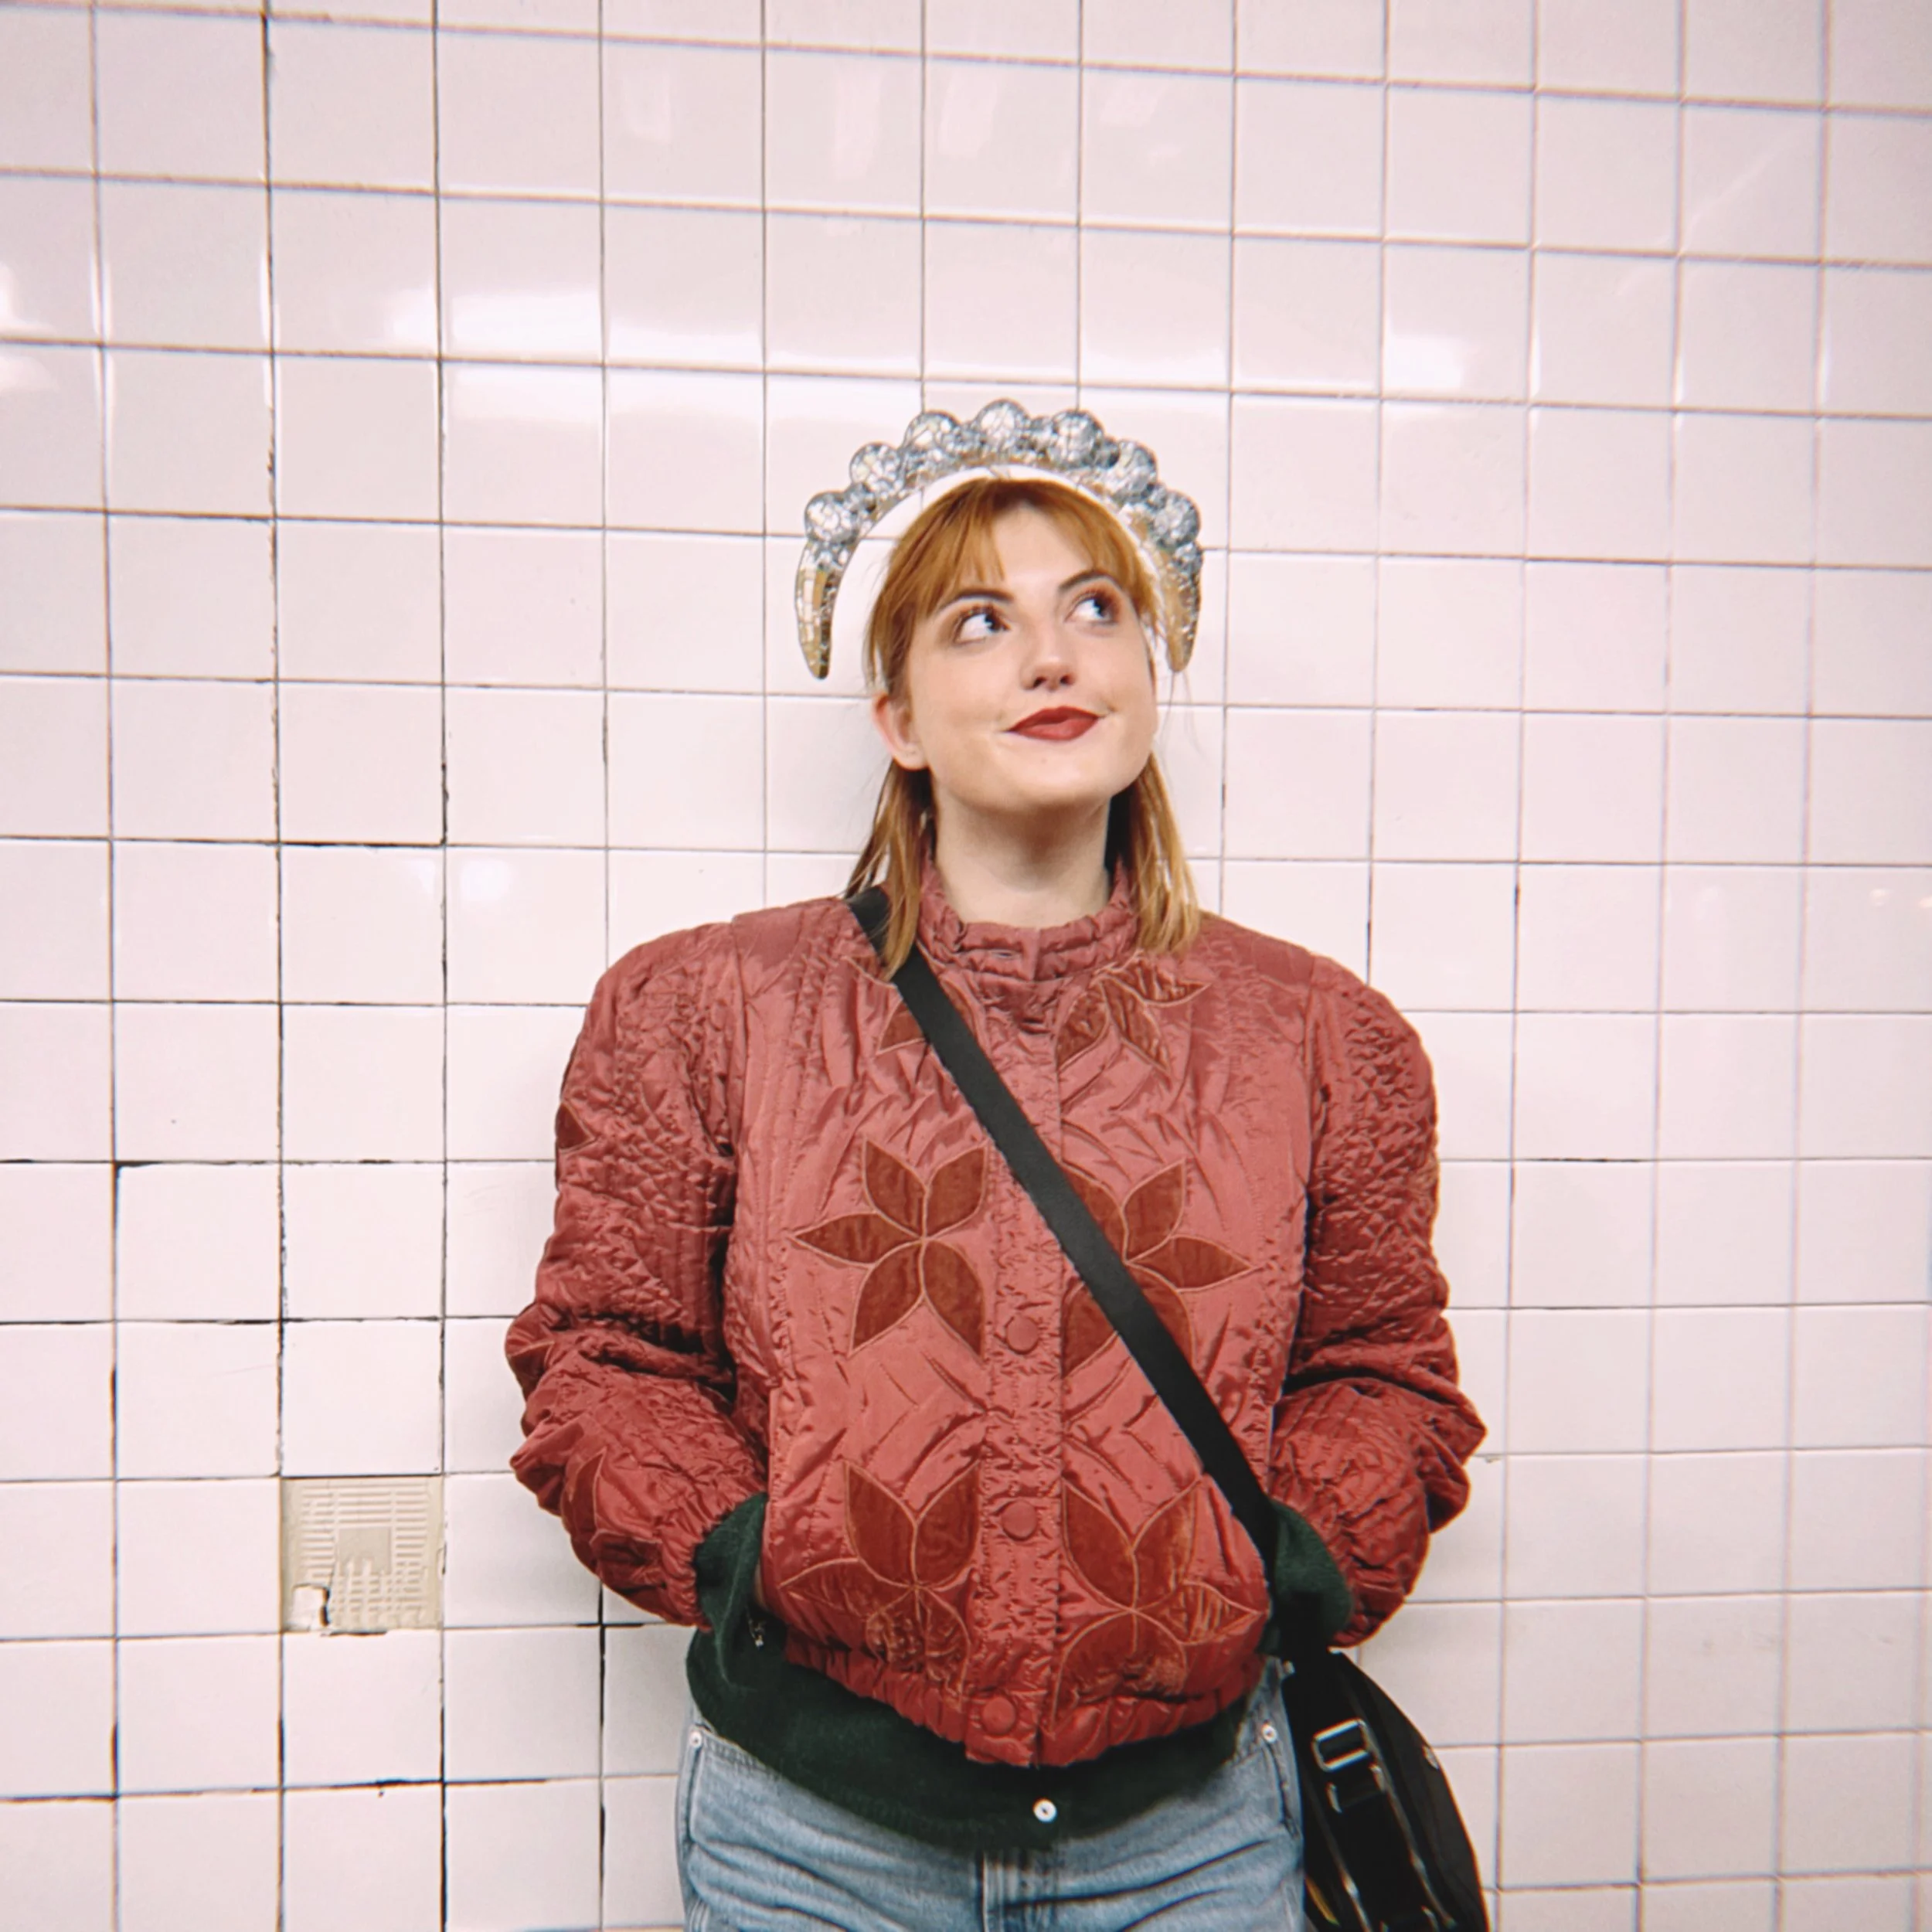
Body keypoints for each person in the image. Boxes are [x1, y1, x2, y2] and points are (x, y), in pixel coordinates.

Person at [505, 416, 1484, 1930]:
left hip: (1193, 1835)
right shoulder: (702, 1010)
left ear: (1146, 681)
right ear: (895, 710)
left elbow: (1382, 1371)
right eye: (984, 620)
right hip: (811, 1842)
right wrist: (753, 1548)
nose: (1051, 657)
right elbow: (607, 1358)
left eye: (1095, 609)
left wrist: (1283, 1558)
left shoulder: (1320, 1038)